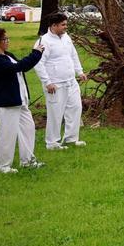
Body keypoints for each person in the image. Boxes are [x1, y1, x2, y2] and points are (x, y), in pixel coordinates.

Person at [0, 27, 45, 174]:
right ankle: (2, 166)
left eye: (8, 38)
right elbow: (19, 67)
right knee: (7, 134)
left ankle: (28, 160)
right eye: (5, 39)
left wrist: (36, 54)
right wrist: (36, 53)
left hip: (19, 100)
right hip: (6, 102)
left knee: (28, 129)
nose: (8, 41)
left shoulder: (7, 55)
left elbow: (22, 68)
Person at [34, 12, 88, 149]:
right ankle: (52, 142)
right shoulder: (44, 41)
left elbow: (73, 55)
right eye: (63, 25)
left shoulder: (66, 38)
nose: (66, 27)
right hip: (55, 84)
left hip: (70, 81)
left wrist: (79, 71)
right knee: (55, 113)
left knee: (75, 108)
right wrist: (47, 82)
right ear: (54, 25)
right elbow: (38, 63)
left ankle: (71, 138)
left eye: (66, 24)